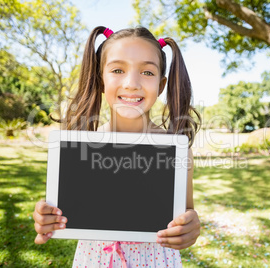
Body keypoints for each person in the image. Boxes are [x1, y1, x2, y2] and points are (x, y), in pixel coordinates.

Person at [32, 26, 201, 268]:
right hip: (95, 260)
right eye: (118, 70)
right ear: (100, 78)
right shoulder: (80, 146)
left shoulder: (177, 150)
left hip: (156, 262)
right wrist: (46, 218)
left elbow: (186, 213)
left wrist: (191, 227)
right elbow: (63, 209)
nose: (132, 83)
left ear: (161, 85)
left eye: (147, 72)